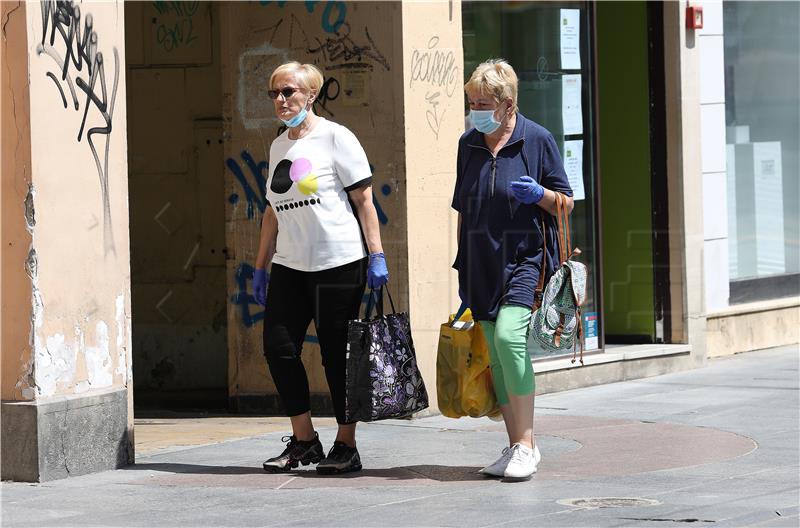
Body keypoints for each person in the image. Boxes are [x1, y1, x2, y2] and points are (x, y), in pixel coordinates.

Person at [252, 61, 388, 475]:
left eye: (288, 91)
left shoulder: (336, 138)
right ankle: (305, 441)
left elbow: (364, 201)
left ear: (311, 95)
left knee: (336, 357)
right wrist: (261, 266)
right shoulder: (279, 146)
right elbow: (272, 213)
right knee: (278, 348)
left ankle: (346, 446)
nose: (280, 100)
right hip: (290, 266)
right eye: (274, 92)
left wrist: (377, 254)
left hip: (338, 263)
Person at [452, 59, 574, 480]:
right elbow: (462, 211)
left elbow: (566, 203)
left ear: (507, 104)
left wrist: (540, 193)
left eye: (483, 102)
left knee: (509, 338)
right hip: (479, 262)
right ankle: (514, 446)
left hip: (526, 259)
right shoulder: (468, 143)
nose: (476, 109)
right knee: (498, 357)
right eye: (472, 102)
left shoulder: (535, 139)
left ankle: (527, 443)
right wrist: (461, 266)